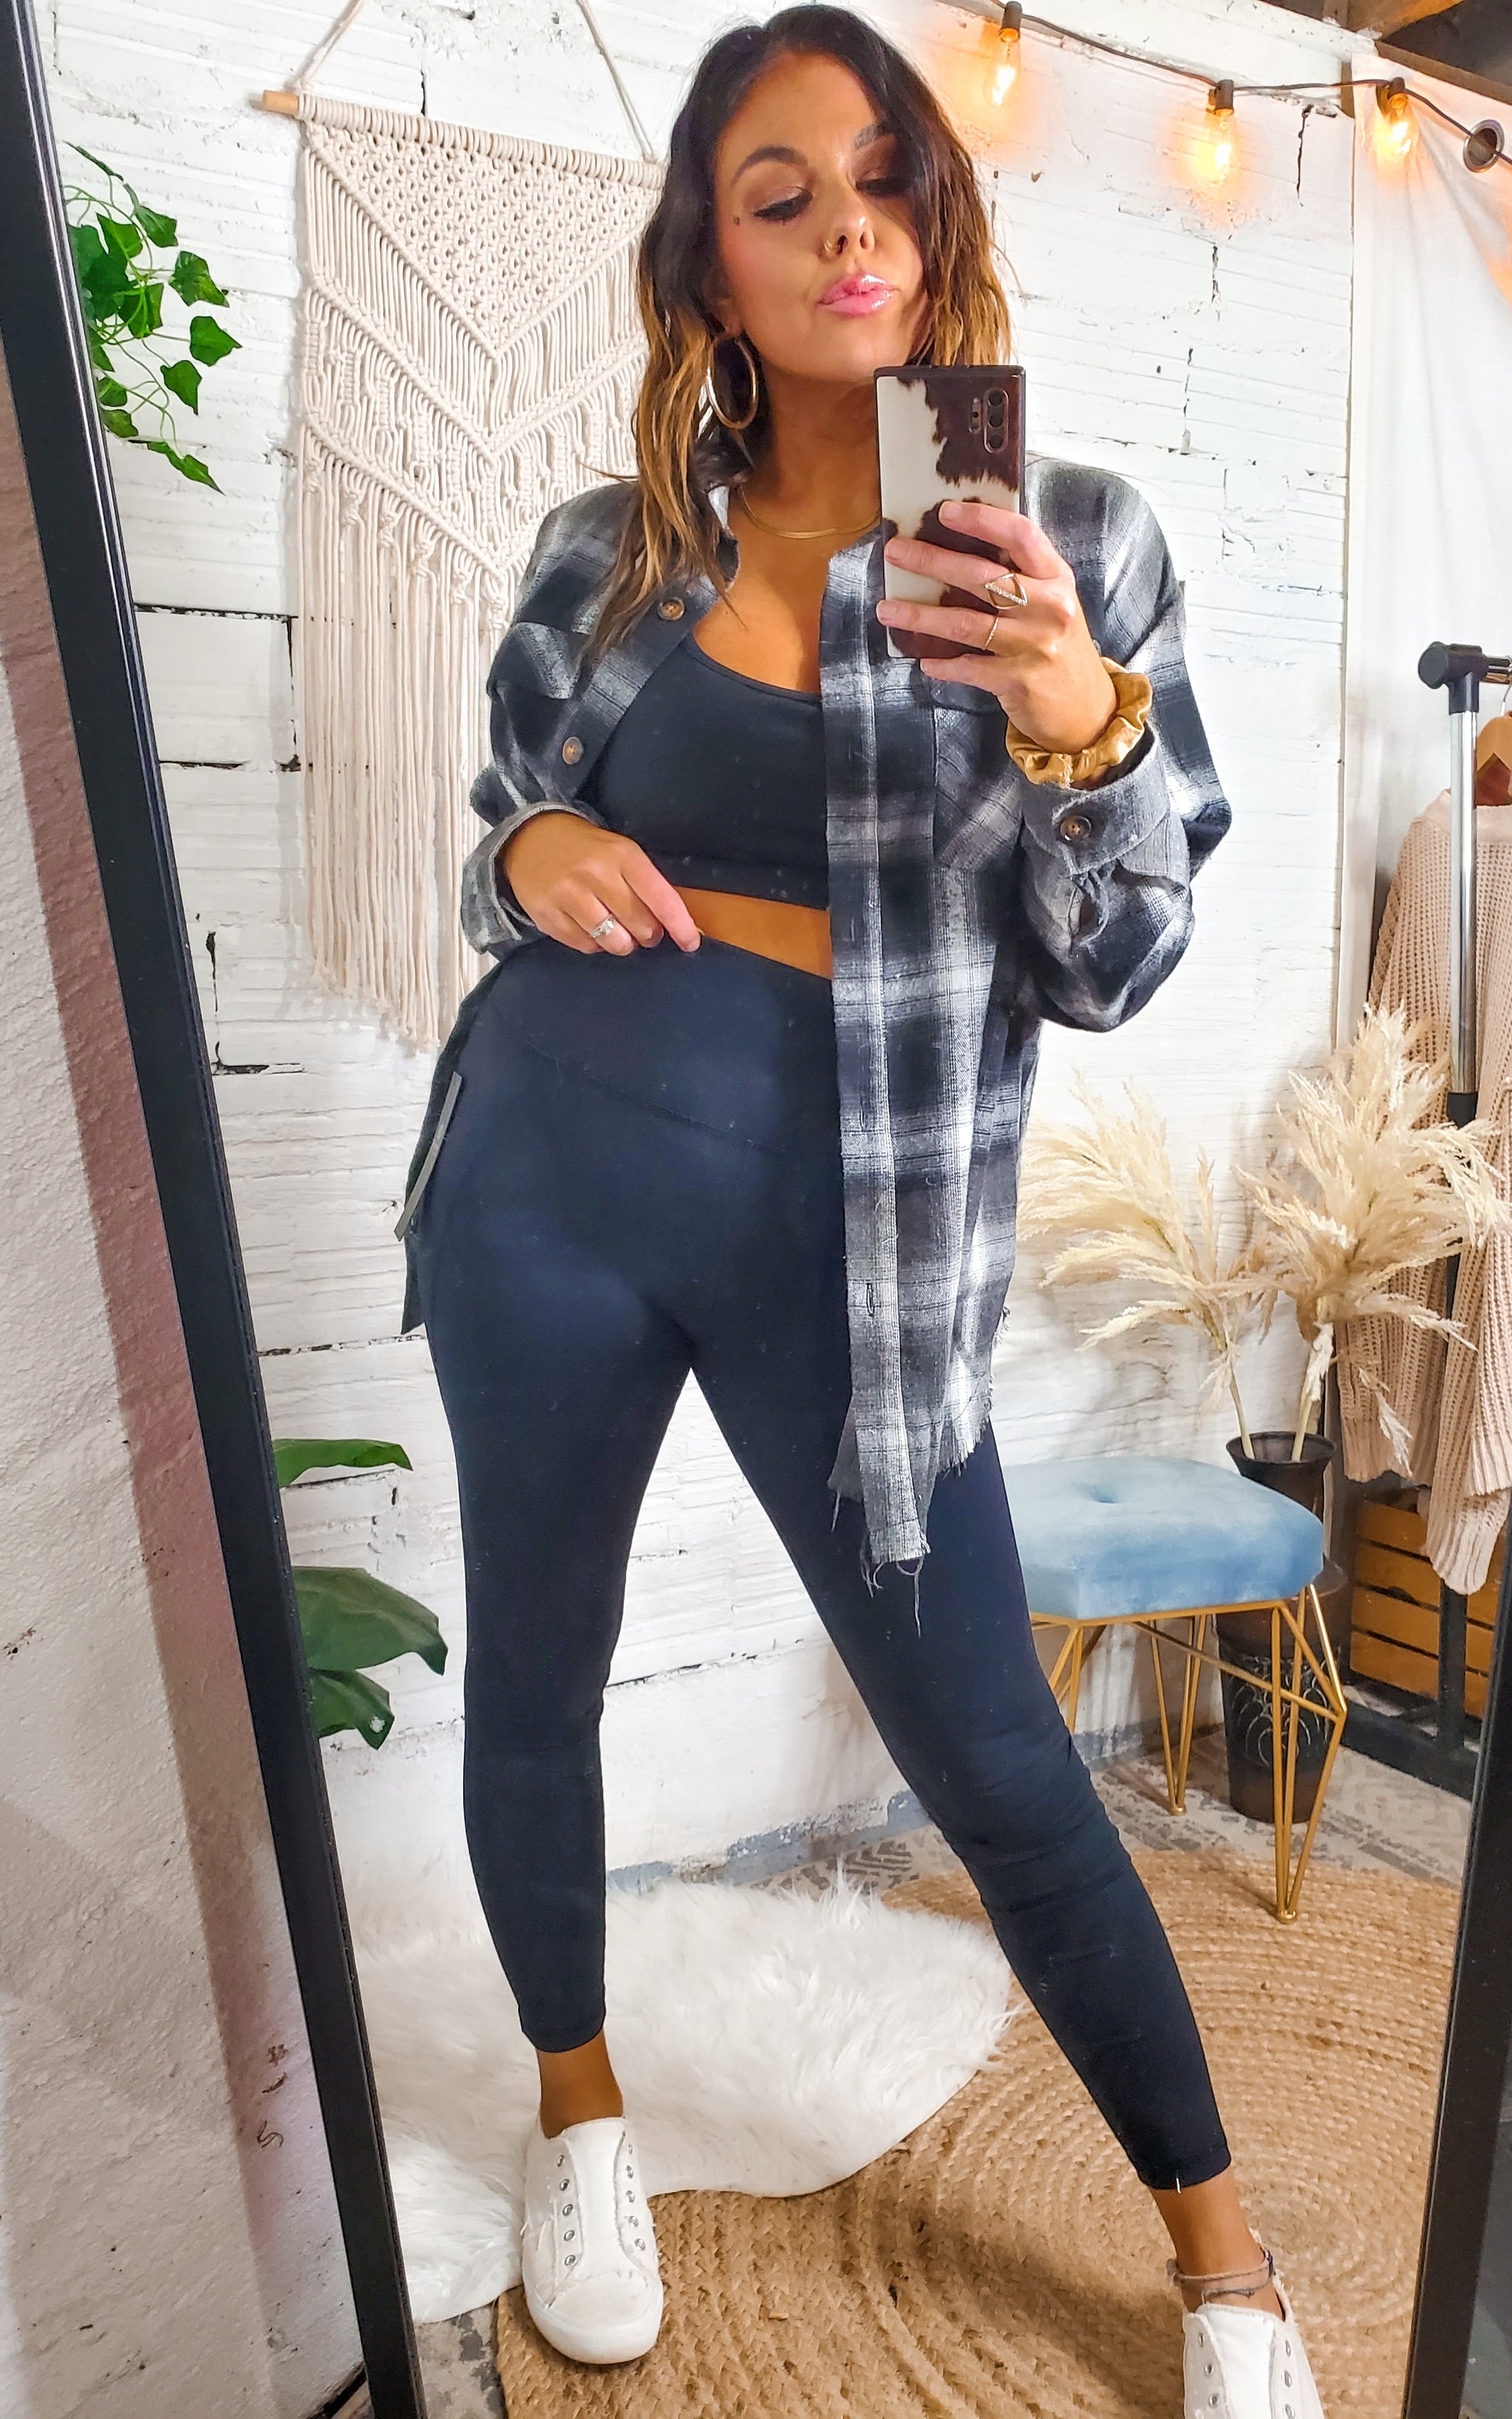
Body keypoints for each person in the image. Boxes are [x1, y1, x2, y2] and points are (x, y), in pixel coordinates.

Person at [397, 10, 1325, 2411]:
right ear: (706, 261)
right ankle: (577, 2115)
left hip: (855, 1237)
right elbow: (500, 827)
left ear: (944, 219)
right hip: (545, 1176)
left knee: (995, 1756)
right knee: (538, 1669)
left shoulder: (1066, 537)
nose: (845, 233)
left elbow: (1113, 963)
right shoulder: (610, 549)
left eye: (884, 181)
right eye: (779, 193)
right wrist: (531, 844)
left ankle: (1226, 2266)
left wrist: (1083, 723)